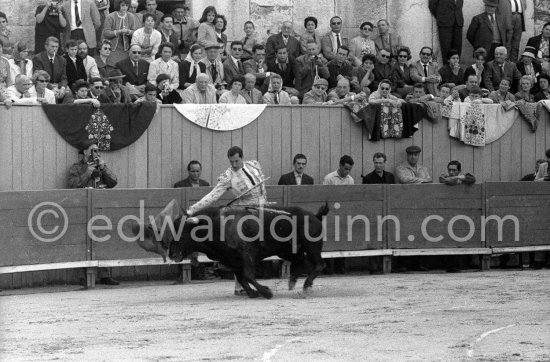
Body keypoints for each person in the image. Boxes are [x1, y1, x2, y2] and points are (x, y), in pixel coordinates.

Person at [185, 146, 267, 296]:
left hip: (263, 208)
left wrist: (262, 203)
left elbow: (262, 187)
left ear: (242, 157)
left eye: (236, 161)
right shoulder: (228, 176)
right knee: (241, 249)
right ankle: (239, 286)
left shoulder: (254, 164)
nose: (234, 165)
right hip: (245, 212)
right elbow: (212, 196)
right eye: (231, 162)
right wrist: (192, 209)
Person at [68, 140, 118, 285]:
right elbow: (72, 186)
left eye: (97, 150)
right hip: (83, 210)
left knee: (103, 239)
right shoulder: (76, 168)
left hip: (101, 209)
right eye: (93, 150)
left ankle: (105, 275)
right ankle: (85, 277)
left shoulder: (101, 166)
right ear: (84, 152)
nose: (97, 153)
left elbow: (114, 182)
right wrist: (87, 173)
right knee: (83, 241)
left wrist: (104, 168)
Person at [102, 0, 139, 64]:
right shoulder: (110, 16)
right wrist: (118, 32)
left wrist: (128, 31)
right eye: (123, 5)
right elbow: (106, 33)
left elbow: (135, 33)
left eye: (127, 5)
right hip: (112, 48)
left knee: (123, 68)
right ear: (118, 5)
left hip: (125, 49)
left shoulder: (131, 16)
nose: (125, 7)